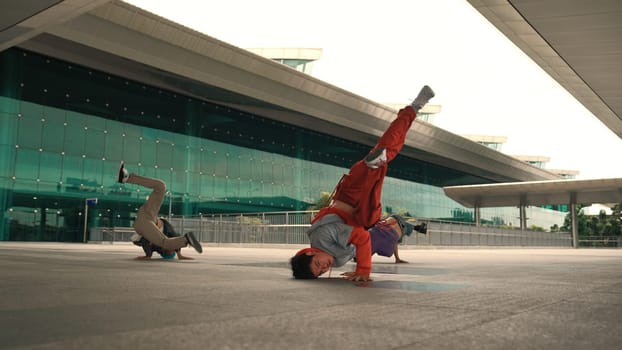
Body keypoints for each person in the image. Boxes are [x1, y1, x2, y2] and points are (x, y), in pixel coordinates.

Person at [290, 85, 435, 281]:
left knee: (369, 219)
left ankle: (378, 162)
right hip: (350, 192)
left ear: (309, 252)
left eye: (318, 264)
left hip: (356, 202)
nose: (325, 267)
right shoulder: (336, 259)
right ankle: (413, 109)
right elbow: (362, 243)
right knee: (386, 149)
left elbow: (362, 237)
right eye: (322, 271)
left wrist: (363, 270)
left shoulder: (321, 238)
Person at [117, 162, 203, 254]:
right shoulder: (166, 237)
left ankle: (186, 239)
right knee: (160, 186)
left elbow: (147, 248)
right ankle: (127, 178)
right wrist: (180, 252)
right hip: (150, 216)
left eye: (169, 252)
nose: (170, 251)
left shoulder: (155, 246)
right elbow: (170, 242)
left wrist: (147, 255)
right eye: (171, 252)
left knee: (165, 242)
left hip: (144, 222)